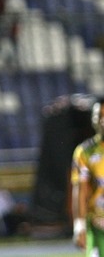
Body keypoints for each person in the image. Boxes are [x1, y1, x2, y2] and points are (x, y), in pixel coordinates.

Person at [72, 97, 104, 255]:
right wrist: (79, 225)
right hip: (98, 225)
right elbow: (80, 190)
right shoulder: (85, 151)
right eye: (99, 115)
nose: (103, 121)